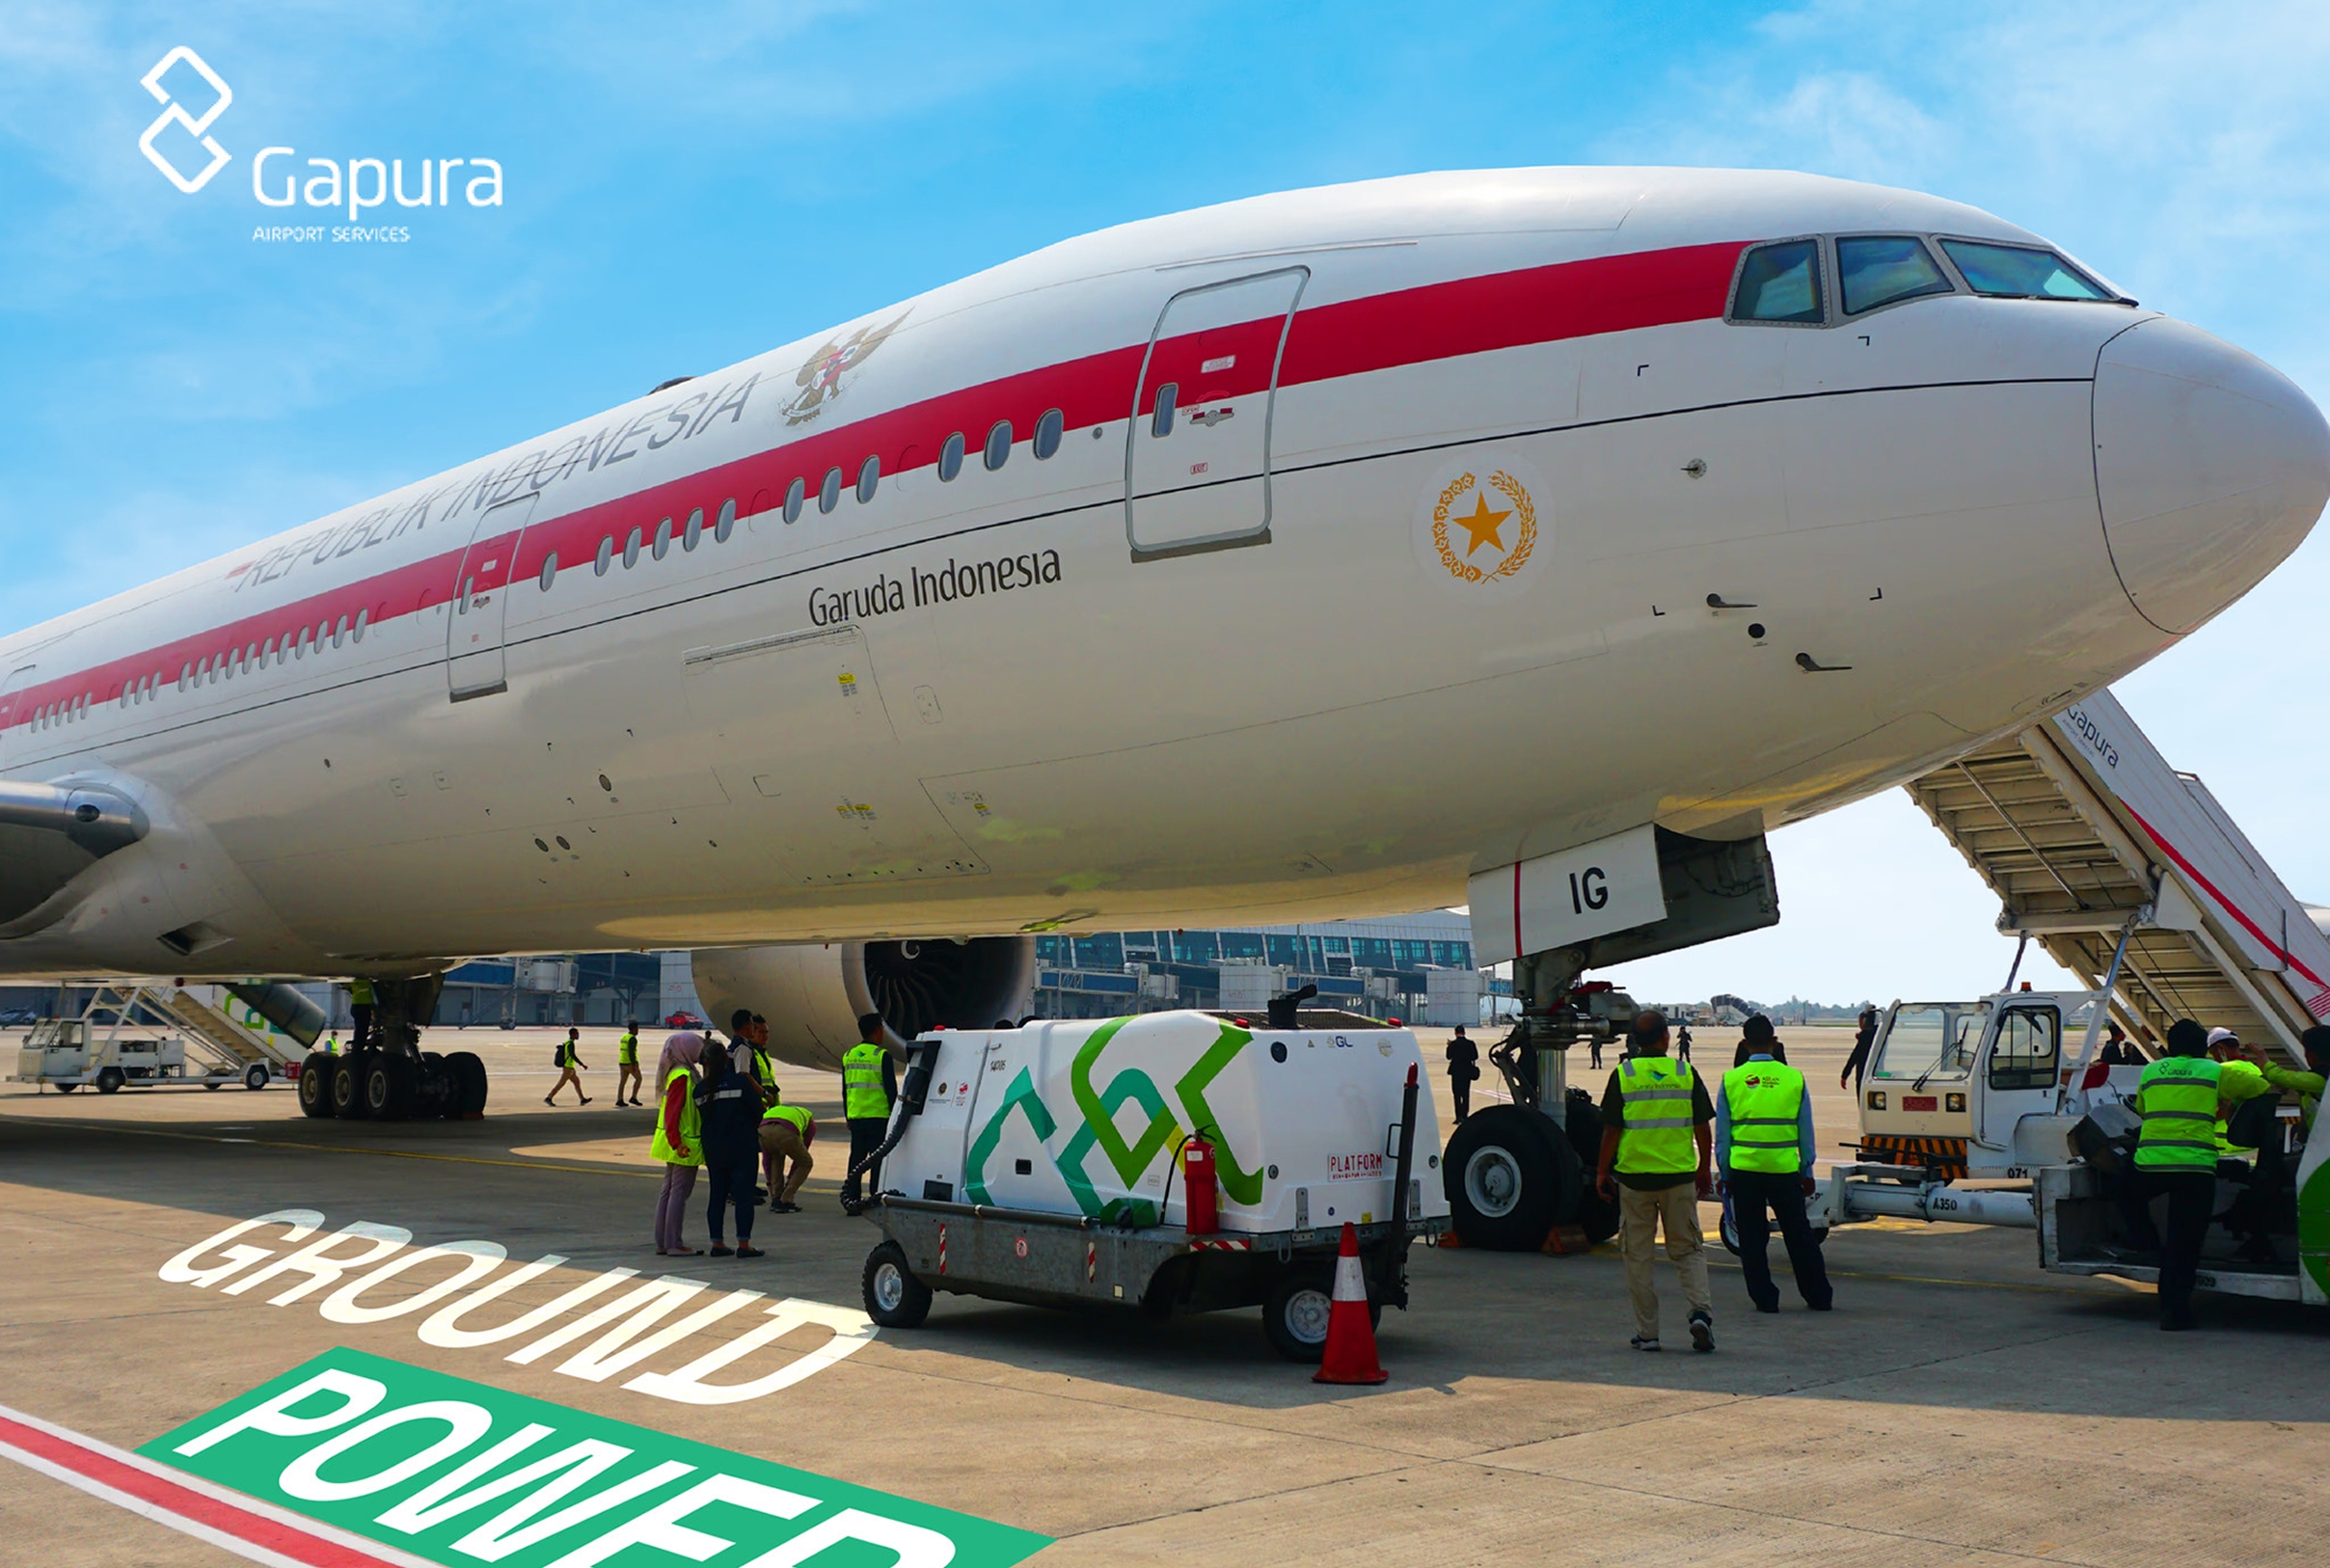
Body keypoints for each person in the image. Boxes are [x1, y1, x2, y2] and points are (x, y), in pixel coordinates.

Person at [2131, 1018, 2271, 1330]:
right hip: (2195, 1167)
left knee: (2124, 1191)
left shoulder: (2151, 1071)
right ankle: (2174, 1313)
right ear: (2203, 1048)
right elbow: (2260, 1087)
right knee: (2184, 1243)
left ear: (2170, 1047)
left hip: (2151, 1164)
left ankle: (2144, 1240)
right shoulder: (2214, 1071)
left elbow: (2142, 1108)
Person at [1595, 1010, 1717, 1353]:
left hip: (1636, 1180)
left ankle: (1648, 1333)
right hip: (1678, 1178)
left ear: (1634, 1041)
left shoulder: (1624, 1074)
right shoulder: (1684, 1073)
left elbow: (1611, 1130)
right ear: (1666, 1038)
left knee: (1638, 1256)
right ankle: (1700, 1313)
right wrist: (1703, 1168)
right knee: (1688, 1250)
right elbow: (1702, 1127)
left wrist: (1602, 1171)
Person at [1719, 1032, 1832, 1313]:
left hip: (1745, 1170)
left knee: (1752, 1239)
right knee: (1799, 1235)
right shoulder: (1794, 1078)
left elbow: (1723, 1135)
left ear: (1744, 1044)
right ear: (1774, 1041)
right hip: (1784, 1169)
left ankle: (1765, 1299)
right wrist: (1806, 1169)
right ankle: (1818, 1296)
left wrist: (1725, 1174)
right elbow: (1805, 1130)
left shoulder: (1731, 1079)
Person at [696, 1040, 766, 1258]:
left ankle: (717, 1243)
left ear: (705, 1062)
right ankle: (744, 1244)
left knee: (717, 1195)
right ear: (727, 1059)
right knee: (744, 1196)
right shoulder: (740, 1083)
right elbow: (758, 1111)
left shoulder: (699, 1090)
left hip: (714, 1148)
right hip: (742, 1146)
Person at [841, 1011, 910, 1213]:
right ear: (878, 1031)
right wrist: (896, 1116)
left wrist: (847, 1115)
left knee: (856, 1159)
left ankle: (851, 1200)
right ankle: (874, 1198)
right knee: (877, 1159)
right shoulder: (881, 1056)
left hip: (856, 1116)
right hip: (878, 1117)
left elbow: (845, 1089)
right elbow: (891, 1090)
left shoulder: (848, 1056)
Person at [651, 1032, 707, 1257]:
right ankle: (674, 1243)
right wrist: (677, 1143)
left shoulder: (675, 1072)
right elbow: (673, 1113)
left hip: (674, 1142)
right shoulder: (683, 1076)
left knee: (668, 1191)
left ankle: (663, 1242)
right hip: (683, 1144)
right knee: (678, 1193)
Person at [761, 1092, 816, 1212]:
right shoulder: (809, 1121)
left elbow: (766, 1160)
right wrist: (790, 1183)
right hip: (786, 1129)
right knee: (806, 1163)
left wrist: (770, 1183)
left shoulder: (777, 1110)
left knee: (775, 1157)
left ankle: (775, 1198)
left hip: (762, 1129)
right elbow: (799, 1162)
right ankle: (786, 1200)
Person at [546, 1026, 590, 1106]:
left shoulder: (568, 1042)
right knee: (561, 1083)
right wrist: (582, 1064)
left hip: (570, 1067)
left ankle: (582, 1099)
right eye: (576, 1034)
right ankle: (549, 1097)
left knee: (576, 1082)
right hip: (568, 1067)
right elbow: (572, 1055)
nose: (578, 1035)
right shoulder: (570, 1043)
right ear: (572, 1034)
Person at [1445, 1026, 1479, 1122]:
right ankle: (1465, 1115)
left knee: (1457, 1095)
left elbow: (1448, 1057)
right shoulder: (1470, 1043)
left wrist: (1449, 1046)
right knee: (1465, 1094)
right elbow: (1475, 1056)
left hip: (1456, 1072)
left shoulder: (1453, 1044)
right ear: (1464, 1032)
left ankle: (1458, 1116)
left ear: (1455, 1033)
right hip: (1467, 1071)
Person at [1840, 1008, 1879, 1090]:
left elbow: (1854, 1057)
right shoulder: (1879, 1035)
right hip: (1877, 1075)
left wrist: (1844, 1075)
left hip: (1863, 1076)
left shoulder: (1865, 1037)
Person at [615, 1022, 643, 1106]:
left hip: (622, 1062)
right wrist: (634, 1065)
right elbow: (631, 1052)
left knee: (622, 1082)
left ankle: (619, 1099)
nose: (638, 1030)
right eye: (637, 1029)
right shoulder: (632, 1039)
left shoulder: (624, 1037)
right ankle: (633, 1097)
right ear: (634, 1029)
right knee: (639, 1079)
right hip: (629, 1063)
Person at [349, 977, 376, 1053]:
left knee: (359, 1029)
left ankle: (357, 1048)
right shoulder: (367, 983)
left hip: (356, 1006)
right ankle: (358, 1048)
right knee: (362, 1029)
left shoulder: (355, 983)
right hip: (364, 1007)